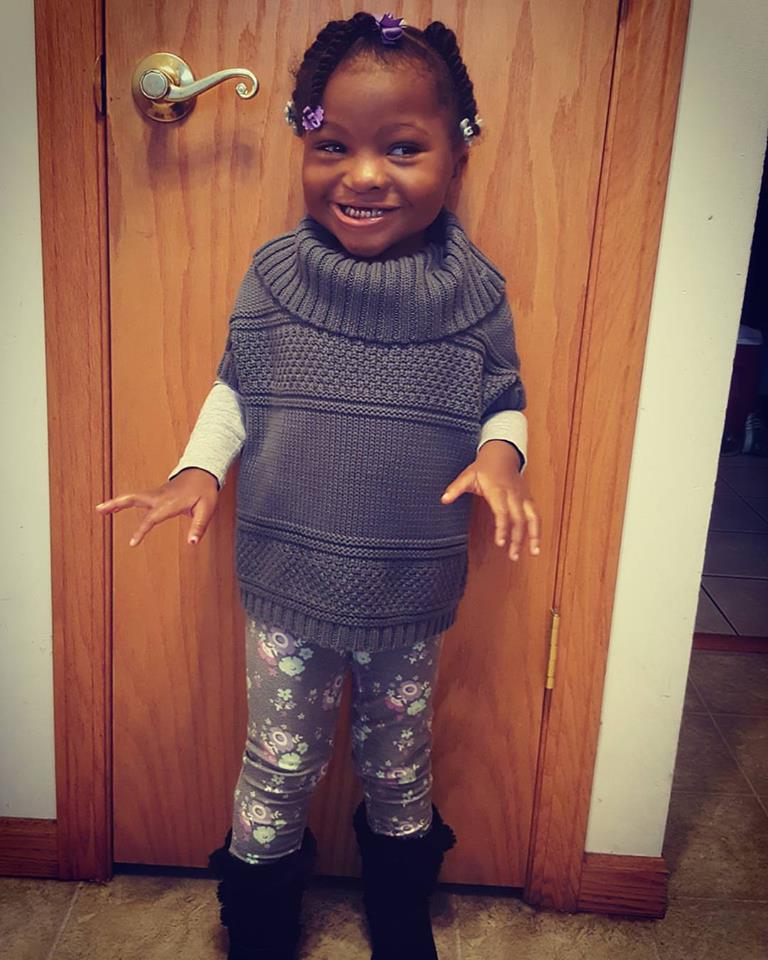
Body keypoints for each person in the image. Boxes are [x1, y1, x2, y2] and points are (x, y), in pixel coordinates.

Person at [96, 12, 541, 960]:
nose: (364, 174)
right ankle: (258, 925)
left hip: (410, 591)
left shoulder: (477, 294)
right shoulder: (274, 278)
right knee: (277, 764)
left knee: (400, 765)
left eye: (403, 148)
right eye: (332, 145)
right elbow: (236, 387)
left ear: (457, 158)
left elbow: (503, 399)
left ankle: (398, 912)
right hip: (288, 588)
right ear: (304, 146)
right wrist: (195, 471)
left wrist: (502, 458)